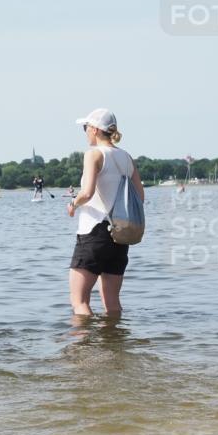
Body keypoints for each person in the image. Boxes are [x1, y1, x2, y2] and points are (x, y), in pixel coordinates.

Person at [67, 108, 145, 316]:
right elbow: (140, 198)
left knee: (79, 301)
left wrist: (73, 204)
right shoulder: (126, 157)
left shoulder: (94, 155)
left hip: (94, 232)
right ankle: (116, 345)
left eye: (85, 127)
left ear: (94, 129)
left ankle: (83, 347)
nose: (85, 132)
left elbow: (87, 192)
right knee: (112, 303)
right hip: (120, 235)